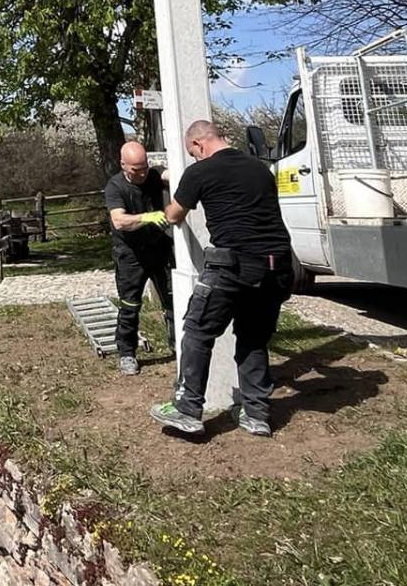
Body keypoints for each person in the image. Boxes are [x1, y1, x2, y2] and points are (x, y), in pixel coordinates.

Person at [150, 119, 295, 439]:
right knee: (253, 337)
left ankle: (188, 409)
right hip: (276, 267)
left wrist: (174, 184)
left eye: (193, 152)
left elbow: (174, 214)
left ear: (200, 144)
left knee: (197, 330)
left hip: (232, 266)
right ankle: (256, 413)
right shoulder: (260, 169)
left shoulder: (200, 172)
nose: (194, 158)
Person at [103, 139, 174, 374]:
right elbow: (119, 220)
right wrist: (147, 217)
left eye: (144, 167)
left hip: (160, 250)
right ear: (123, 165)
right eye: (136, 169)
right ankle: (127, 353)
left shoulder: (153, 176)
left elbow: (172, 175)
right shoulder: (115, 187)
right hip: (130, 255)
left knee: (174, 300)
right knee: (130, 305)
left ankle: (179, 345)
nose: (142, 173)